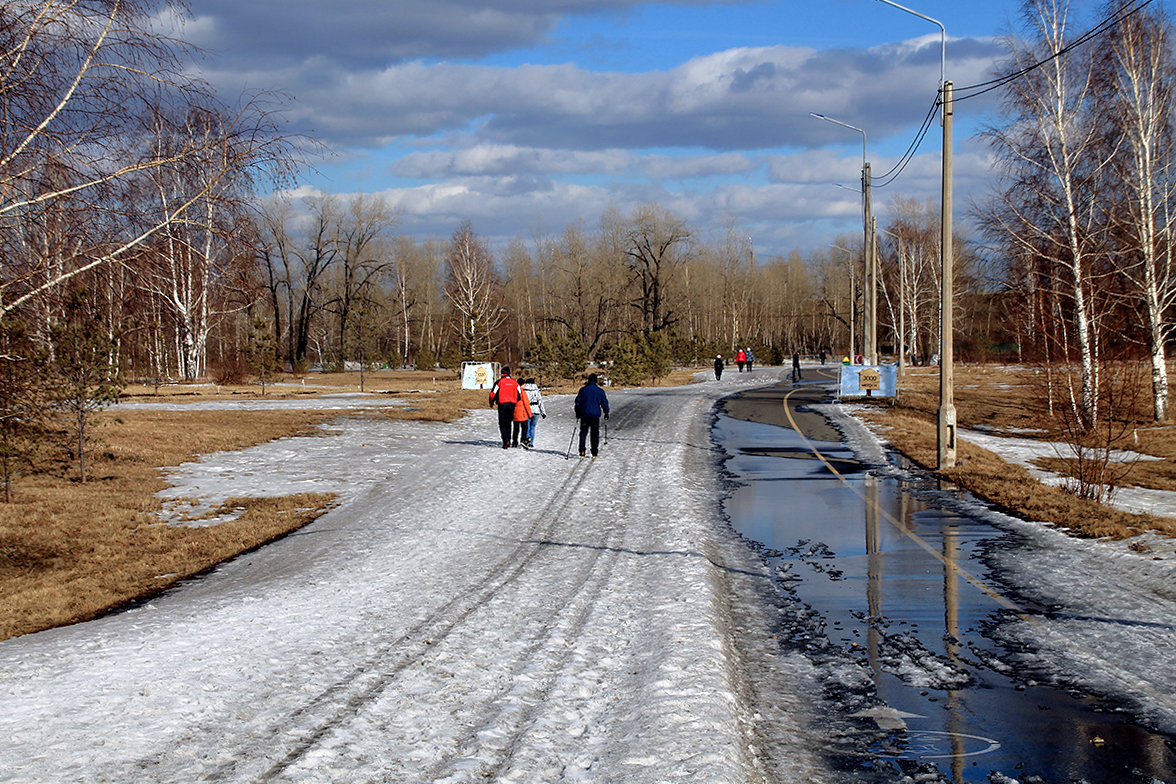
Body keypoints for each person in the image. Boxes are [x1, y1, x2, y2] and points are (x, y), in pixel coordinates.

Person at [574, 373, 610, 458]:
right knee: (594, 434)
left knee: (583, 433)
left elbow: (577, 402)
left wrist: (577, 412)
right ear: (596, 381)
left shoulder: (583, 390)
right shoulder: (600, 391)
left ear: (588, 380)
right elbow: (604, 402)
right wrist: (606, 412)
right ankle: (594, 452)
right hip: (595, 415)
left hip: (584, 414)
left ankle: (582, 450)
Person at [489, 366, 522, 449]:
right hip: (512, 405)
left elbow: (492, 394)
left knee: (502, 423)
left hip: (502, 404)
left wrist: (491, 402)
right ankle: (509, 439)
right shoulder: (515, 382)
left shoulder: (499, 382)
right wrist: (516, 400)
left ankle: (505, 440)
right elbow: (520, 394)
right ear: (509, 373)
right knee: (509, 422)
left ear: (502, 373)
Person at [521, 377, 546, 449]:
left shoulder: (524, 390)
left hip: (527, 409)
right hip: (536, 410)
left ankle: (527, 440)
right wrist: (543, 412)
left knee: (527, 426)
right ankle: (531, 442)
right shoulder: (536, 390)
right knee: (533, 427)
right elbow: (540, 401)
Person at [511, 383, 532, 447]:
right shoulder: (523, 392)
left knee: (515, 429)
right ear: (521, 385)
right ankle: (522, 440)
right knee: (524, 428)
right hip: (523, 414)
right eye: (524, 384)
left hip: (515, 414)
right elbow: (526, 404)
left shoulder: (513, 392)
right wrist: (530, 414)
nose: (525, 386)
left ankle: (514, 442)